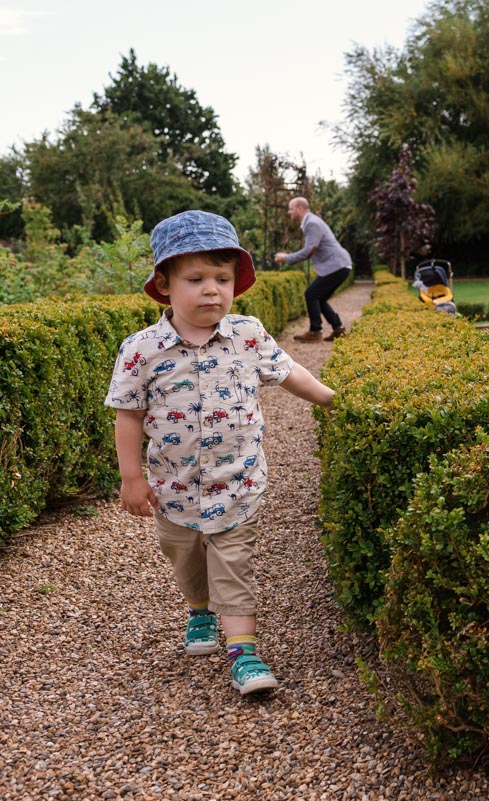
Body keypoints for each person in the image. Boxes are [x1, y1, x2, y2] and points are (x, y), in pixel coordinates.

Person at [106, 210, 335, 696]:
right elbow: (128, 416)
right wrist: (131, 478)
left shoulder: (248, 335)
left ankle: (243, 654)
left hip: (238, 483)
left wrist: (330, 399)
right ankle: (199, 610)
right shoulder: (142, 349)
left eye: (222, 279)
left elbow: (290, 372)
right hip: (173, 491)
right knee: (187, 562)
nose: (212, 290)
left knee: (233, 565)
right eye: (196, 279)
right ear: (164, 284)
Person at [274, 197, 354, 342]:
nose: (289, 212)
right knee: (319, 297)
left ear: (300, 209)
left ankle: (315, 332)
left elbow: (309, 251)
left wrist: (286, 258)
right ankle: (338, 329)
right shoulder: (311, 222)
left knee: (311, 293)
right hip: (339, 265)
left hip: (337, 265)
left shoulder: (312, 223)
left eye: (291, 209)